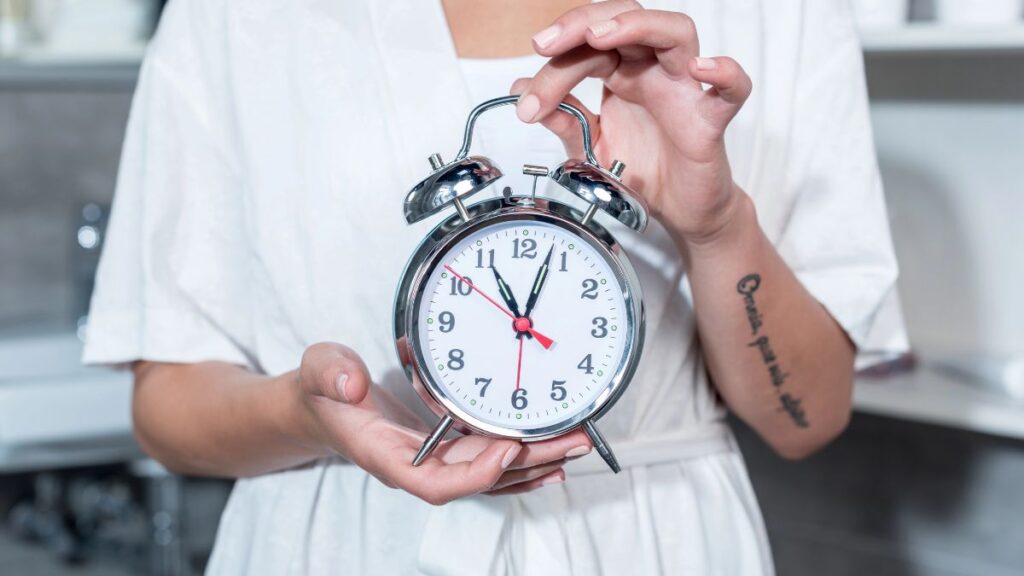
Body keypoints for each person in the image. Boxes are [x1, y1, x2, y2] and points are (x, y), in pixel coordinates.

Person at [84, 0, 907, 574]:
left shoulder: (785, 9)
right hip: (341, 547)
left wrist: (717, 224)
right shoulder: (235, 16)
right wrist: (313, 420)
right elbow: (167, 405)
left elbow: (809, 417)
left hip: (656, 545)